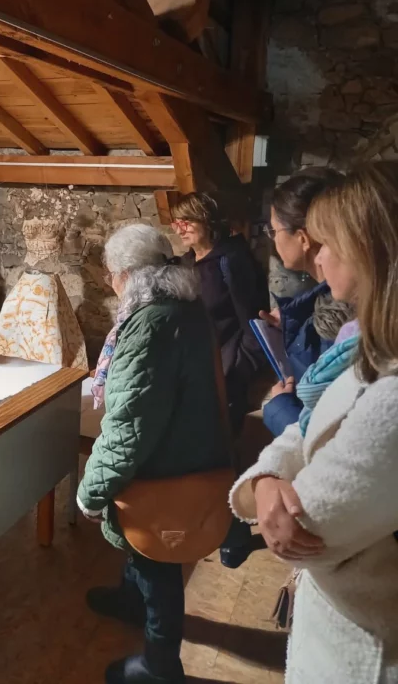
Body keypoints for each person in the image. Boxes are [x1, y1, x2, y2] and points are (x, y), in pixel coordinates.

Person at [231, 162, 398, 684]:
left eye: (327, 243)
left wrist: (272, 483)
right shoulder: (373, 348)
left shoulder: (392, 394)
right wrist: (265, 479)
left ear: (365, 248)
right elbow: (308, 428)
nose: (320, 258)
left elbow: (304, 525)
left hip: (362, 648)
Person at [77, 223, 231, 684]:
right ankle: (131, 598)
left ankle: (161, 665)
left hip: (166, 469)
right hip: (187, 446)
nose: (110, 282)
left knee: (159, 561)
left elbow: (130, 424)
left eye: (111, 273)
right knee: (144, 551)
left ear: (128, 275)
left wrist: (91, 490)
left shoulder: (150, 324)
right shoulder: (182, 305)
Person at [261, 168, 354, 436]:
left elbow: (330, 434)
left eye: (274, 230)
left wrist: (280, 407)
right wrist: (296, 321)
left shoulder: (344, 319)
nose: (273, 239)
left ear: (302, 238)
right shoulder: (330, 301)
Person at [170, 192, 269, 433]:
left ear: (206, 220)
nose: (179, 229)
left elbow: (253, 323)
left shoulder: (232, 261)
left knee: (220, 437)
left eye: (186, 221)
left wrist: (238, 370)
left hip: (225, 371)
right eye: (176, 223)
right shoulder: (185, 264)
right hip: (193, 368)